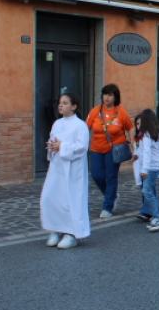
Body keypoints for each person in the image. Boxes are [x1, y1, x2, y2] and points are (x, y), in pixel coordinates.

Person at [41, 93, 90, 250]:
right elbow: (53, 140)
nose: (61, 105)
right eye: (60, 103)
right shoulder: (57, 123)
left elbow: (82, 147)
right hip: (57, 167)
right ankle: (55, 228)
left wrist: (62, 146)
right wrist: (52, 146)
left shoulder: (80, 125)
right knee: (51, 197)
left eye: (65, 103)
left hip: (73, 170)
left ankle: (72, 233)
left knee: (71, 200)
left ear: (74, 106)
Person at [86, 83, 134, 219]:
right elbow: (85, 128)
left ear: (115, 97)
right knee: (96, 175)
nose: (107, 97)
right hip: (96, 149)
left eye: (110, 95)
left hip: (114, 149)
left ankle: (107, 207)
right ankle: (112, 195)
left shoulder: (120, 112)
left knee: (111, 176)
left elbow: (130, 127)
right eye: (105, 94)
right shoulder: (95, 111)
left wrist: (131, 142)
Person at [135, 109, 159, 232]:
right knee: (151, 191)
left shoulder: (147, 135)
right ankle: (153, 212)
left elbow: (148, 153)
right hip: (155, 166)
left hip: (150, 167)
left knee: (146, 191)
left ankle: (157, 217)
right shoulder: (155, 133)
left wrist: (144, 170)